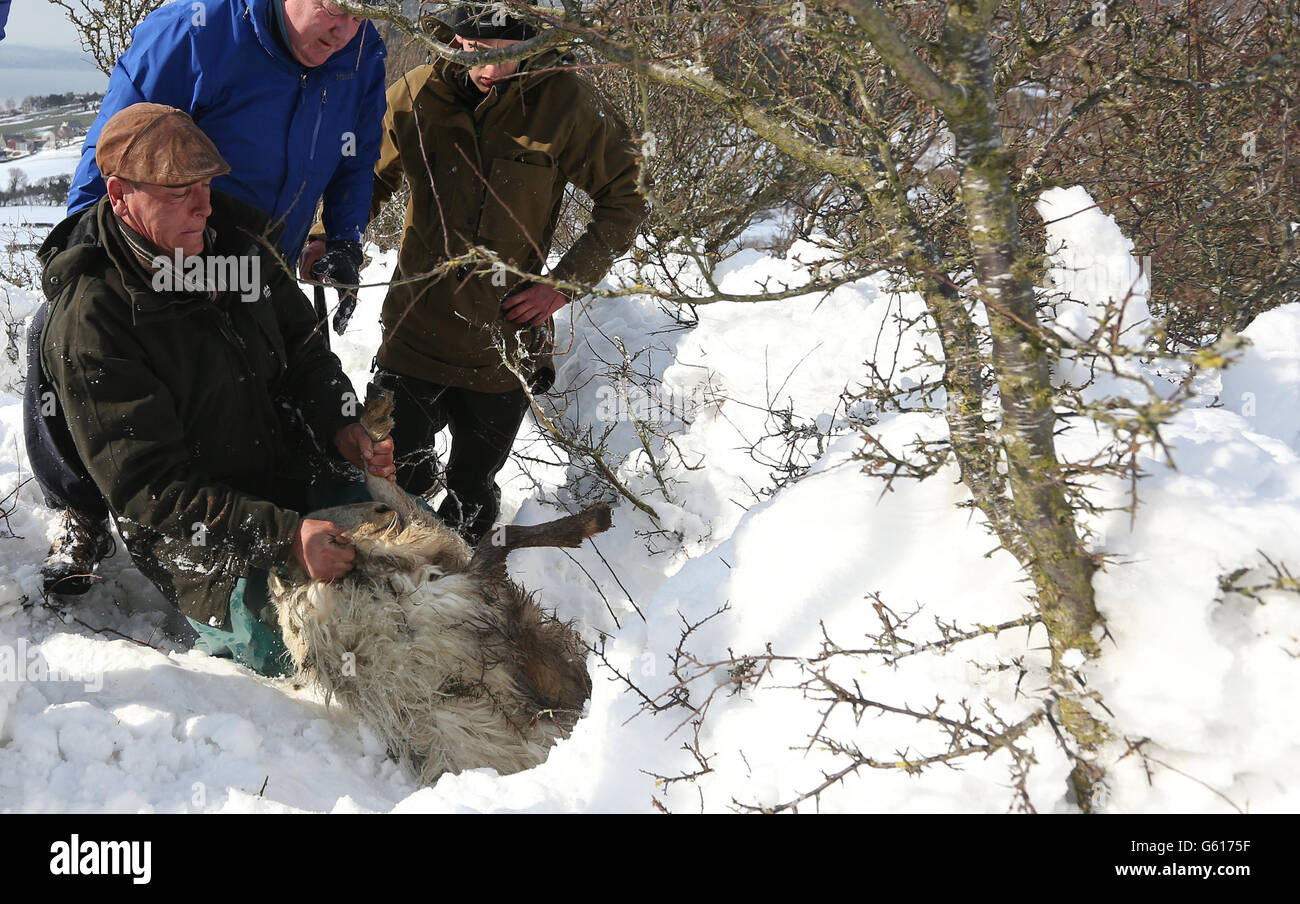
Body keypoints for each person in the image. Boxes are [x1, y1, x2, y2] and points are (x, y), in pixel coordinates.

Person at [33, 0, 387, 594]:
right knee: (73, 352)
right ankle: (79, 509)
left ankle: (267, 475)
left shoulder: (362, 48)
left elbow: (359, 153)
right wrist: (89, 264)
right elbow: (119, 149)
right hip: (156, 250)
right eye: (333, 10)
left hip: (244, 245)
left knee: (256, 375)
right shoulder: (192, 33)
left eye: (358, 15)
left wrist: (340, 421)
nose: (346, 30)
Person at [347, 3, 647, 544]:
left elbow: (626, 196)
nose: (486, 69)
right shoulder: (418, 94)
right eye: (472, 51)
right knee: (395, 478)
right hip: (415, 329)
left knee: (472, 489)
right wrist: (334, 237)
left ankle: (468, 581)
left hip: (503, 341)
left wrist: (564, 284)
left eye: (504, 54)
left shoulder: (566, 103)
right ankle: (401, 587)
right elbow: (363, 176)